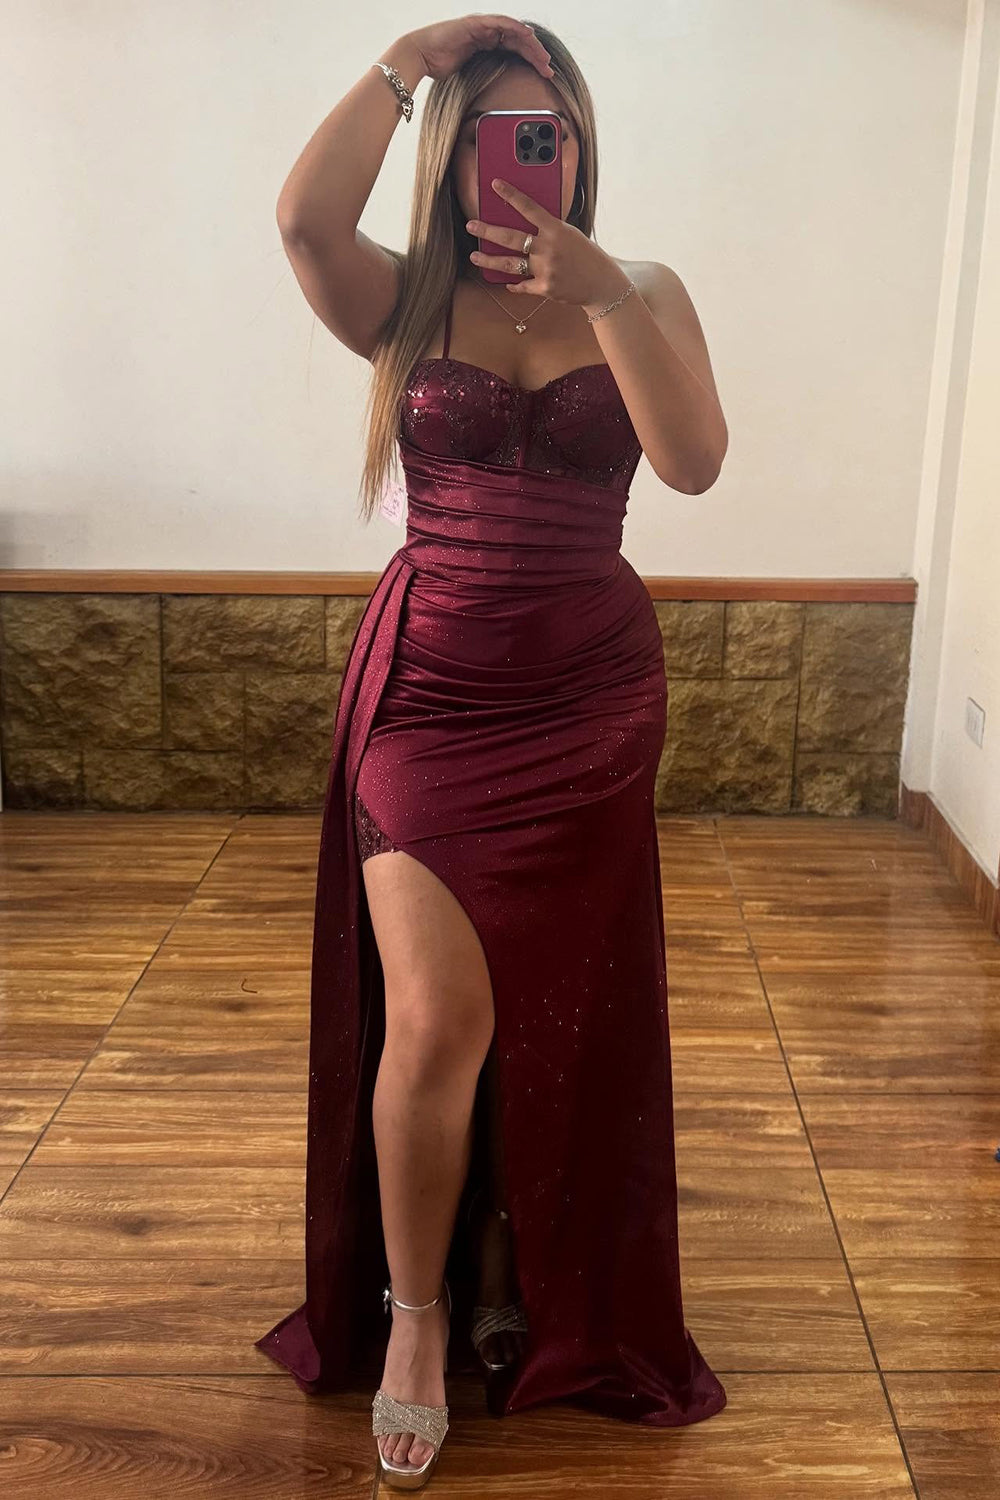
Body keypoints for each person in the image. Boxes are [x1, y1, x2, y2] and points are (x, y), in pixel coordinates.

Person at [259, 14, 730, 1490]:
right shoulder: (405, 299)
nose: (531, 159)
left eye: (553, 133)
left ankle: (510, 1243)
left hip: (591, 702)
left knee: (555, 1006)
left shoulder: (644, 287)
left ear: (582, 147)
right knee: (436, 1018)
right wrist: (409, 61)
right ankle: (414, 1320)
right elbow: (301, 220)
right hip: (431, 700)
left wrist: (603, 293)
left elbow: (693, 462)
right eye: (498, 137)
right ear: (455, 157)